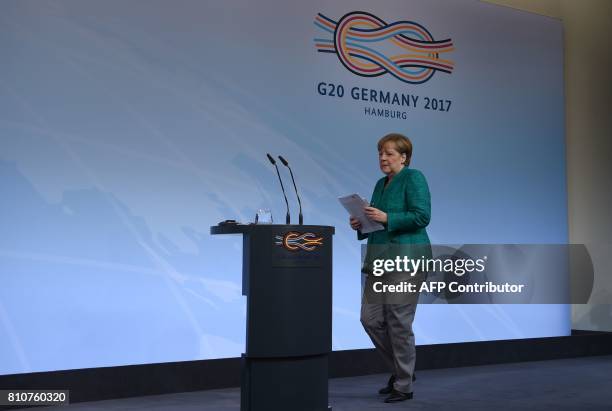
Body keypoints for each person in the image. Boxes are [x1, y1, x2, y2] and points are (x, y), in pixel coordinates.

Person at [350, 133, 431, 403]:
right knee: (370, 319)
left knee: (399, 322)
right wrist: (362, 223)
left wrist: (387, 217)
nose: (383, 158)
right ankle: (401, 371)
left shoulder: (414, 177)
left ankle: (404, 384)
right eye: (380, 153)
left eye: (389, 153)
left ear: (404, 156)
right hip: (380, 260)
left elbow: (422, 216)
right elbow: (377, 223)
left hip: (407, 258)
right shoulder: (380, 183)